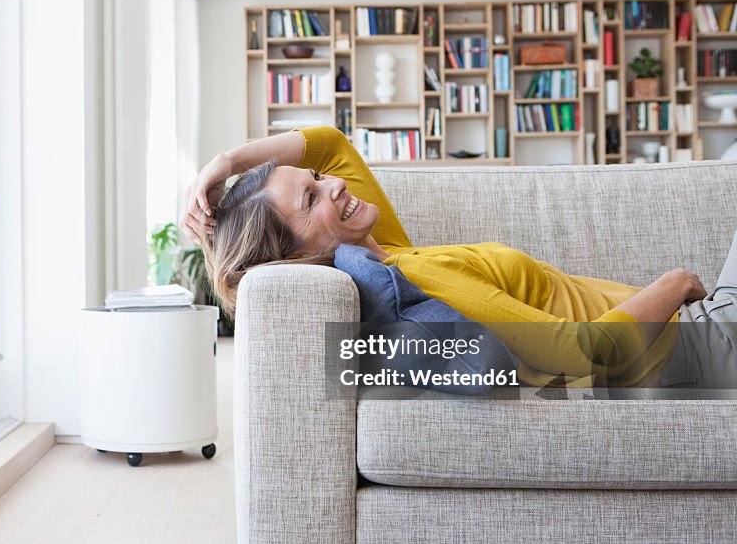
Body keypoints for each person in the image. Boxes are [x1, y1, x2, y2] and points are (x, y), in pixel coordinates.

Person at [181, 126, 737, 389]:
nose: (332, 185)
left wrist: (225, 162)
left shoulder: (388, 251)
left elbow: (329, 145)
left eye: (317, 181)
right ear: (297, 258)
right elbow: (586, 351)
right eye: (310, 198)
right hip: (694, 346)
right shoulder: (416, 277)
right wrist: (678, 280)